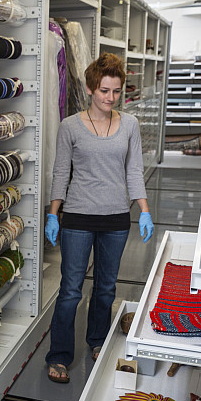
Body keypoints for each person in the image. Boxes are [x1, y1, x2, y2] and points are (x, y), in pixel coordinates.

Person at [44, 52, 153, 384]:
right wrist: (53, 214)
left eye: (116, 91)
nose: (111, 98)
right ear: (91, 89)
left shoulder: (130, 124)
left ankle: (97, 341)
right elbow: (61, 172)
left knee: (106, 288)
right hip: (77, 217)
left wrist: (145, 211)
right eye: (105, 91)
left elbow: (134, 171)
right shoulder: (70, 126)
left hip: (116, 218)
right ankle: (59, 355)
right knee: (71, 290)